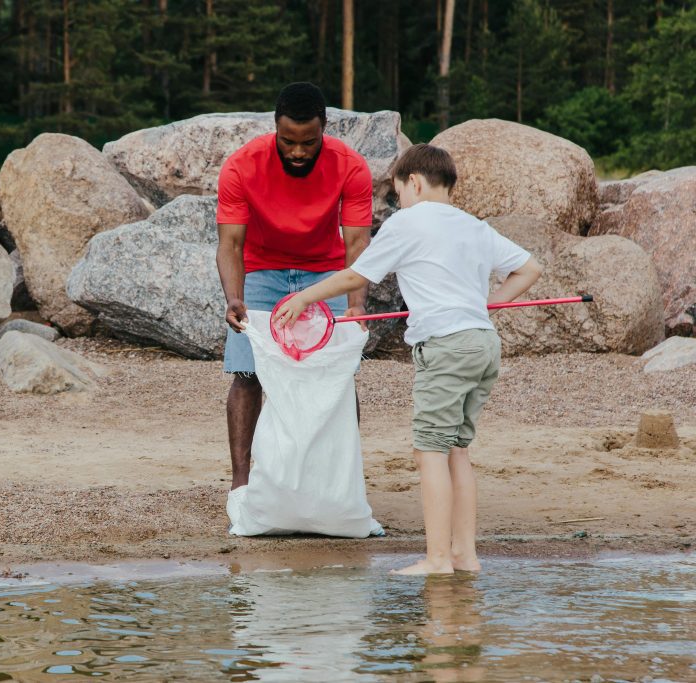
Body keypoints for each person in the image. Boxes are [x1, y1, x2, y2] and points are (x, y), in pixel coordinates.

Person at [273, 143, 542, 575]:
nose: (400, 201)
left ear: (413, 182)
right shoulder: (474, 226)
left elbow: (356, 275)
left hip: (447, 347)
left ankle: (437, 560)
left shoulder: (408, 222)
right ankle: (464, 556)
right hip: (483, 344)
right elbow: (530, 268)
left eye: (399, 193)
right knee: (456, 448)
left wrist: (303, 297)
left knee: (429, 452)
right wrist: (485, 304)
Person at [216, 82, 374, 492]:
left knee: (337, 376)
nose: (299, 152)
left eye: (309, 142)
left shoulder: (351, 166)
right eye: (288, 141)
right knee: (248, 373)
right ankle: (241, 483)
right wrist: (235, 297)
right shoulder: (241, 166)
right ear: (275, 129)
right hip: (263, 271)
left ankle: (339, 481)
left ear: (324, 128)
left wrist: (356, 304)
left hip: (325, 274)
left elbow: (357, 243)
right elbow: (230, 244)